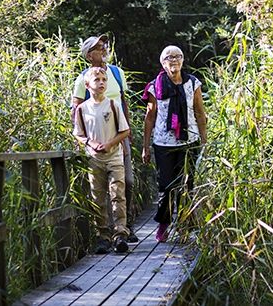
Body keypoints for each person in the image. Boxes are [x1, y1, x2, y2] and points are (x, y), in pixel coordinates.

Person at [71, 34, 139, 243]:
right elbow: (76, 110)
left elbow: (123, 102)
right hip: (95, 139)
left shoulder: (116, 73)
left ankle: (124, 227)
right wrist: (83, 140)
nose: (104, 49)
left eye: (104, 45)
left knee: (126, 182)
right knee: (99, 189)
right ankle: (107, 231)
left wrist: (128, 134)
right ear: (89, 55)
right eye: (99, 47)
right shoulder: (83, 78)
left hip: (119, 134)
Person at [141, 45, 207, 243]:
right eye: (169, 57)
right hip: (163, 143)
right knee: (166, 185)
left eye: (177, 56)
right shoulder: (155, 86)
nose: (174, 60)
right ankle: (164, 223)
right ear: (163, 63)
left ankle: (186, 225)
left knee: (187, 184)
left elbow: (199, 112)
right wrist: (145, 146)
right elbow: (150, 117)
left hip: (189, 141)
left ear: (183, 60)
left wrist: (204, 140)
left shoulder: (193, 83)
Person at [73, 66, 131, 254]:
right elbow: (78, 134)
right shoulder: (82, 109)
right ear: (87, 84)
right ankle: (103, 236)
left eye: (104, 80)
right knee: (98, 198)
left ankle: (120, 234)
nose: (101, 83)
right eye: (97, 80)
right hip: (94, 158)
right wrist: (89, 142)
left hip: (114, 156)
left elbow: (125, 131)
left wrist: (109, 144)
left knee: (117, 194)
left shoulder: (113, 105)